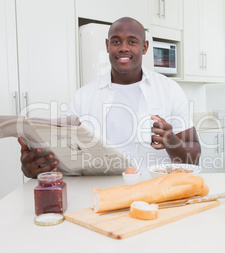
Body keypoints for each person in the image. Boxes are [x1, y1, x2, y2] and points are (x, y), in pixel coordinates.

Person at [18, 17, 201, 178]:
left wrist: (172, 142)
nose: (123, 48)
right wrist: (34, 168)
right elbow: (65, 162)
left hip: (158, 191)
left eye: (132, 42)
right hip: (102, 193)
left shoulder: (170, 90)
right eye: (116, 41)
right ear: (107, 46)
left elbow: (194, 158)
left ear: (144, 47)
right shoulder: (83, 97)